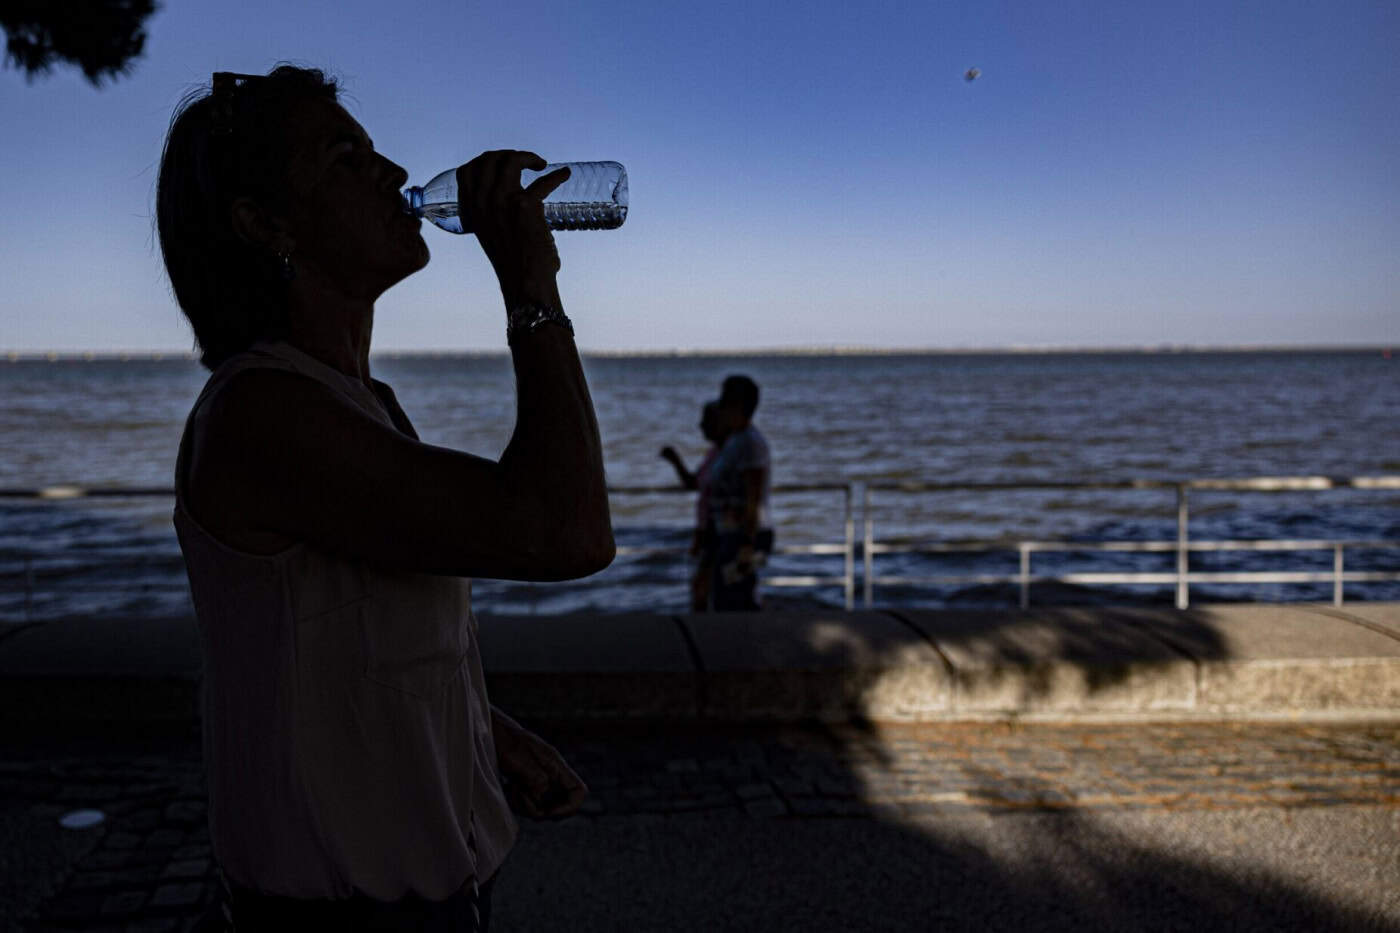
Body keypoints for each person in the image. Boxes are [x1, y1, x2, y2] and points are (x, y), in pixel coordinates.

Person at [157, 66, 614, 930]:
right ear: (265, 224)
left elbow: (349, 641)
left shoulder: (354, 403)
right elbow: (569, 530)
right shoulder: (263, 414)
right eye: (344, 158)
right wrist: (529, 287)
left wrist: (486, 731)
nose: (390, 169)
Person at [705, 375, 774, 611]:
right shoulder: (735, 439)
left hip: (746, 536)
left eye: (725, 400)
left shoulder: (750, 443)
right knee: (727, 595)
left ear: (737, 405)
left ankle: (745, 644)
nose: (720, 405)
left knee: (737, 598)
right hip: (731, 533)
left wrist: (748, 543)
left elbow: (753, 496)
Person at [659, 400, 729, 610]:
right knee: (703, 586)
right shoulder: (714, 454)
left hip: (719, 532)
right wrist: (676, 461)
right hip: (710, 532)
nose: (701, 426)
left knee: (707, 586)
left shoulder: (730, 455)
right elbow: (695, 483)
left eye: (707, 421)